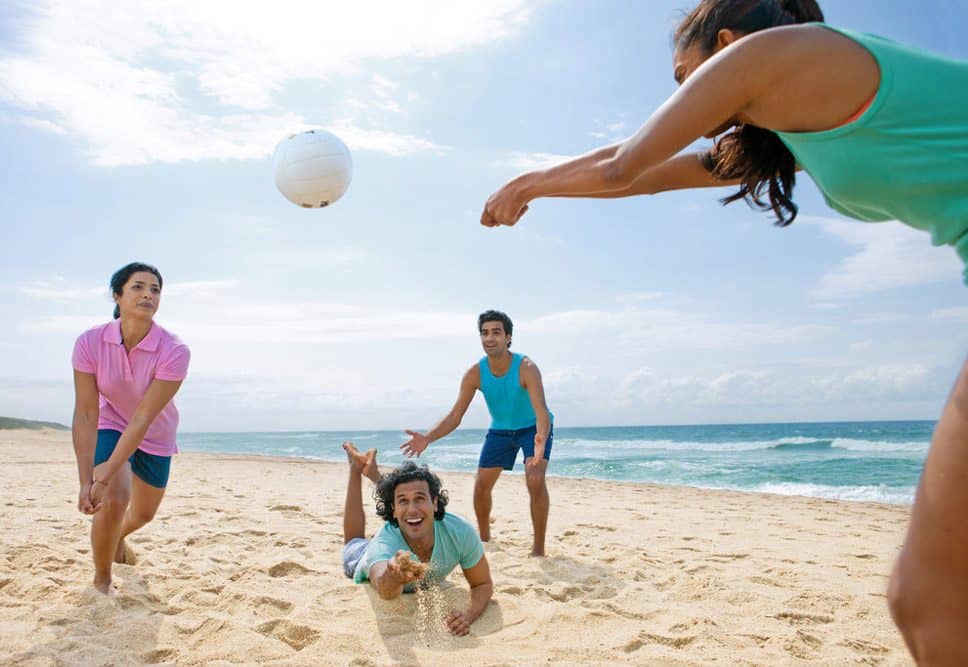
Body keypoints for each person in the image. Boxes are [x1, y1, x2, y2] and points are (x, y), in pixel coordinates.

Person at [479, 0, 968, 661]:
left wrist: (531, 182)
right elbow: (648, 178)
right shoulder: (795, 121)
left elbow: (626, 161)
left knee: (928, 602)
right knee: (927, 601)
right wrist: (547, 186)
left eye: (685, 80)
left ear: (728, 44)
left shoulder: (784, 53)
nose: (683, 99)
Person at [71, 262, 190, 595]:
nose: (148, 294)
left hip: (154, 431)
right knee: (113, 499)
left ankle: (119, 535)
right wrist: (87, 481)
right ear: (117, 295)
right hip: (111, 423)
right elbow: (85, 413)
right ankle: (102, 581)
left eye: (155, 289)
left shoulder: (175, 350)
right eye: (138, 287)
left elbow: (143, 417)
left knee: (143, 514)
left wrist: (103, 474)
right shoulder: (89, 342)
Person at [401, 310, 554, 556]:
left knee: (535, 479)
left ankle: (538, 549)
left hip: (533, 429)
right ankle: (484, 541)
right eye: (484, 333)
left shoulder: (526, 368)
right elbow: (455, 415)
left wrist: (541, 439)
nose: (489, 338)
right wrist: (427, 437)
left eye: (496, 332)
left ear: (508, 337)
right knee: (481, 487)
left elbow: (542, 411)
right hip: (501, 430)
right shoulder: (475, 373)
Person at [341, 443, 493, 636]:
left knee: (407, 506)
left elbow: (482, 584)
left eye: (420, 498)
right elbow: (384, 589)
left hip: (396, 534)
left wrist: (468, 615)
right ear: (394, 511)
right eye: (403, 501)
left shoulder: (460, 532)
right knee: (353, 542)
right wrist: (392, 576)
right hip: (363, 557)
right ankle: (355, 468)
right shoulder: (383, 545)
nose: (412, 508)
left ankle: (373, 472)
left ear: (435, 502)